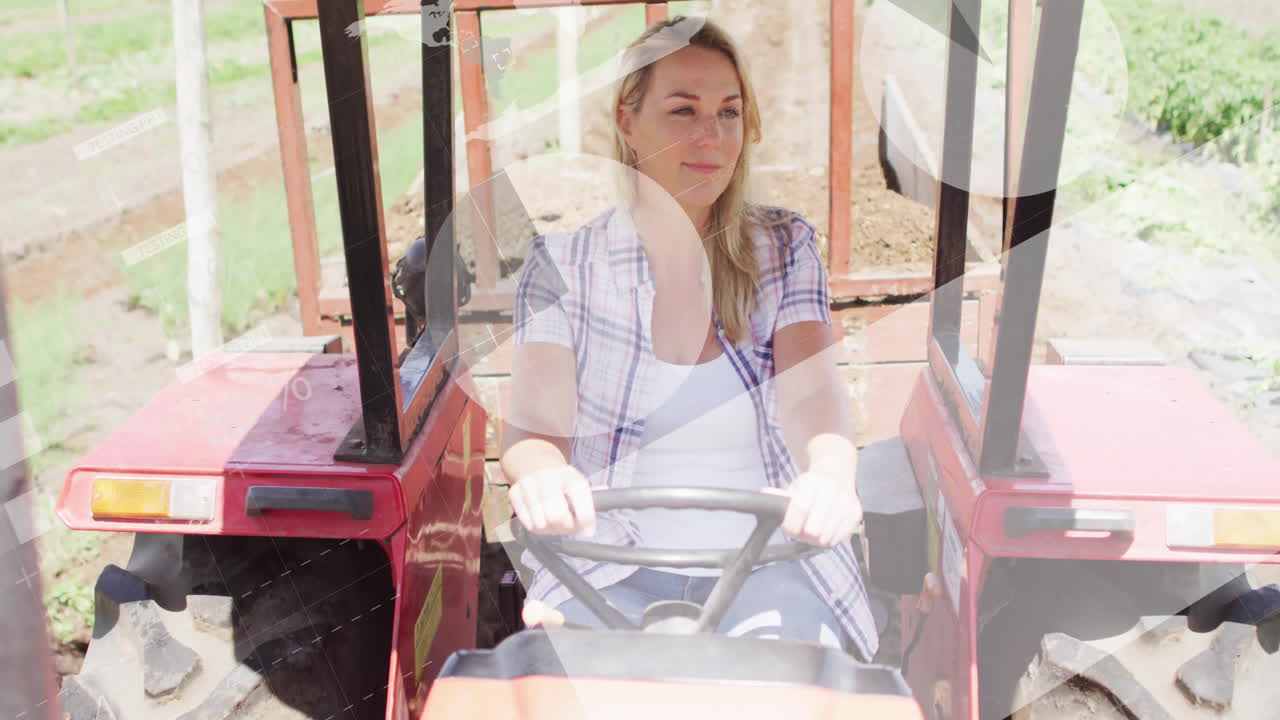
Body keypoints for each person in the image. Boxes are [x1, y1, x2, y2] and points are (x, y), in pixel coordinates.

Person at [498, 15, 878, 662]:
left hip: (771, 566)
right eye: (683, 111)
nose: (712, 136)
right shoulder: (563, 267)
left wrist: (831, 472)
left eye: (729, 113)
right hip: (607, 569)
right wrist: (540, 477)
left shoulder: (784, 249)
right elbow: (536, 432)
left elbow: (811, 395)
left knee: (804, 689)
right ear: (627, 120)